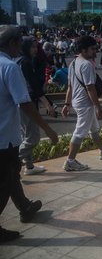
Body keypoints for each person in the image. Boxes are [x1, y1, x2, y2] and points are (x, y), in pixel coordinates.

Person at [0, 25, 59, 242]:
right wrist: (49, 129)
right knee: (5, 180)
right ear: (13, 43)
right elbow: (24, 103)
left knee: (11, 174)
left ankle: (25, 206)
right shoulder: (10, 66)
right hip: (4, 138)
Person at [61, 36, 102, 171]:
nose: (95, 52)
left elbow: (70, 86)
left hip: (78, 102)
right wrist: (98, 107)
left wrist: (67, 104)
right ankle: (70, 161)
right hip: (85, 104)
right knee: (80, 132)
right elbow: (90, 88)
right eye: (92, 49)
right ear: (84, 50)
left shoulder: (73, 63)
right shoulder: (86, 65)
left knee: (93, 128)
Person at [17, 37, 57, 175]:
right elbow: (34, 86)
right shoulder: (25, 62)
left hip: (20, 103)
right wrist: (47, 104)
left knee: (25, 135)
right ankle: (10, 162)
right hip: (26, 104)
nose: (35, 49)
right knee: (33, 138)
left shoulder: (19, 60)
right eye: (32, 47)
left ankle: (29, 166)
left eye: (36, 46)